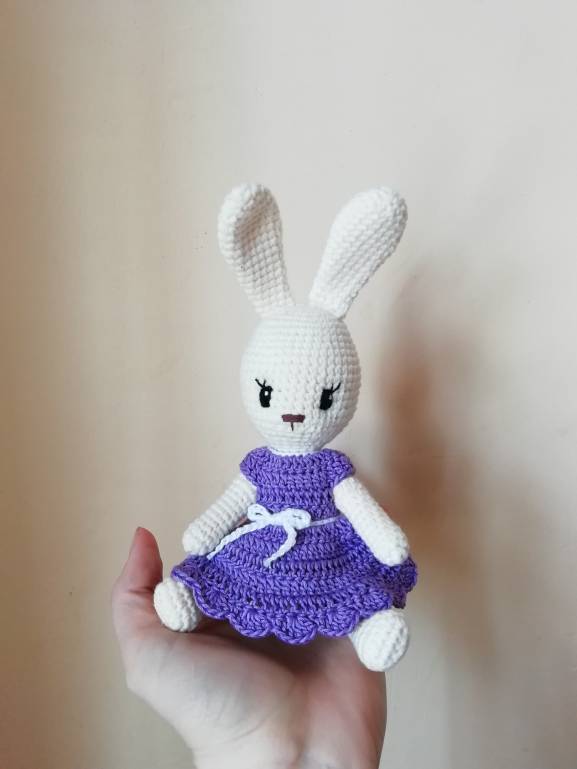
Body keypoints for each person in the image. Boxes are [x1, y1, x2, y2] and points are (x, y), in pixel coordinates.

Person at [112, 527, 388, 769]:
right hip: (253, 551)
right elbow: (214, 524)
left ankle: (370, 632)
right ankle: (192, 601)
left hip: (326, 560)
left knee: (355, 597)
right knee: (216, 577)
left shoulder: (334, 485)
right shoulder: (257, 486)